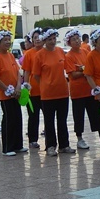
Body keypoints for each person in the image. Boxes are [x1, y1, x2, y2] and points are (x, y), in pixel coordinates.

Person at [33, 28, 75, 156]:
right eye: (49, 39)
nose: (52, 41)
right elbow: (36, 75)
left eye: (54, 39)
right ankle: (50, 146)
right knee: (49, 121)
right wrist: (45, 85)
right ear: (44, 40)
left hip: (62, 91)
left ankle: (64, 145)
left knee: (62, 120)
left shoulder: (60, 51)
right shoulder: (39, 55)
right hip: (47, 94)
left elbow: (67, 69)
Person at [0, 30, 27, 156]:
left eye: (8, 39)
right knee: (9, 118)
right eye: (4, 40)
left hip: (15, 92)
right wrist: (7, 89)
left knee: (17, 118)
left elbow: (17, 72)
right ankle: (7, 147)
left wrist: (18, 87)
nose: (7, 42)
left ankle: (18, 145)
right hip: (5, 94)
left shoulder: (10, 55)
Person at [64, 28, 97, 150]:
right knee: (79, 115)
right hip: (77, 91)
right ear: (69, 42)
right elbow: (72, 74)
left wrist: (84, 70)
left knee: (95, 113)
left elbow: (91, 67)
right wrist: (84, 70)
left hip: (89, 89)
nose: (76, 41)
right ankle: (79, 138)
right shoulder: (68, 56)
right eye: (73, 39)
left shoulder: (85, 51)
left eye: (77, 38)